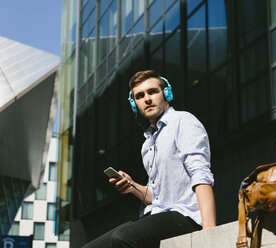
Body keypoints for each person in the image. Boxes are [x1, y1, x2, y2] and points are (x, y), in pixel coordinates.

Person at [83, 70, 216, 248]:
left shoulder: (183, 121)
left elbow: (200, 172)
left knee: (122, 238)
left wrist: (209, 228)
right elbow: (155, 196)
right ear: (134, 104)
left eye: (153, 92)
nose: (147, 99)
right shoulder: (148, 144)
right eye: (139, 96)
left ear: (166, 94)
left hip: (186, 216)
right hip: (157, 215)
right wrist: (131, 186)